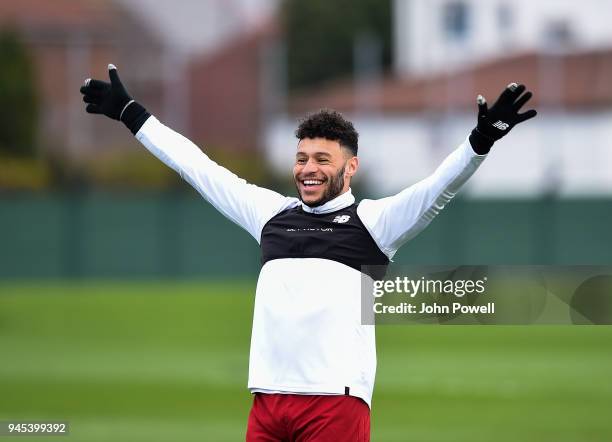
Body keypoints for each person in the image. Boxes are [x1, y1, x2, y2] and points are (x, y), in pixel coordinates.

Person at [80, 64, 536, 441]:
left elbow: (437, 190)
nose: (308, 169)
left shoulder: (373, 224)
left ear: (350, 167)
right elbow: (198, 168)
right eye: (302, 158)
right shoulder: (269, 214)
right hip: (268, 402)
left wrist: (482, 141)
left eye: (322, 159)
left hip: (334, 404)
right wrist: (131, 113)